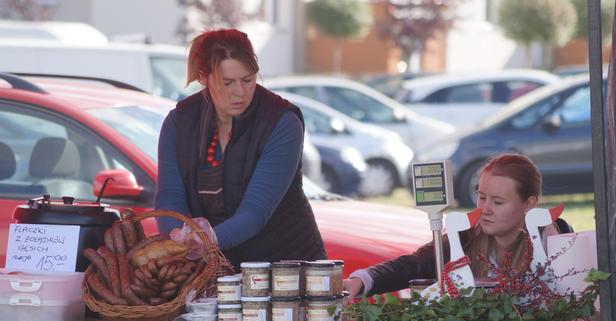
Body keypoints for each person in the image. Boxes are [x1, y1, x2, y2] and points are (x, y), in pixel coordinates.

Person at [155, 28, 326, 269]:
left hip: (286, 267)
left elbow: (255, 213)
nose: (240, 92)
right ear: (204, 77)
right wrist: (177, 235)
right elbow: (169, 196)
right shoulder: (179, 121)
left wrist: (206, 240)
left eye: (248, 80)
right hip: (216, 271)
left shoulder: (282, 122)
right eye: (228, 82)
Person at [343, 154, 572, 302]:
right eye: (481, 197)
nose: (486, 209)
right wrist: (361, 281)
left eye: (498, 202)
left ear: (529, 204)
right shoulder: (466, 236)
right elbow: (414, 264)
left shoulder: (554, 242)